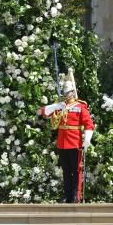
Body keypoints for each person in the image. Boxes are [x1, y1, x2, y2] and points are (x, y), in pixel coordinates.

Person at [39, 68, 94, 204]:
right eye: (64, 92)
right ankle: (67, 196)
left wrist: (87, 139)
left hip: (75, 142)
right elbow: (43, 112)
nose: (66, 94)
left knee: (76, 171)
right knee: (66, 171)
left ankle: (76, 196)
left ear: (73, 92)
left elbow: (88, 124)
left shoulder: (81, 106)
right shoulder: (60, 105)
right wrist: (57, 105)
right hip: (62, 143)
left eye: (68, 92)